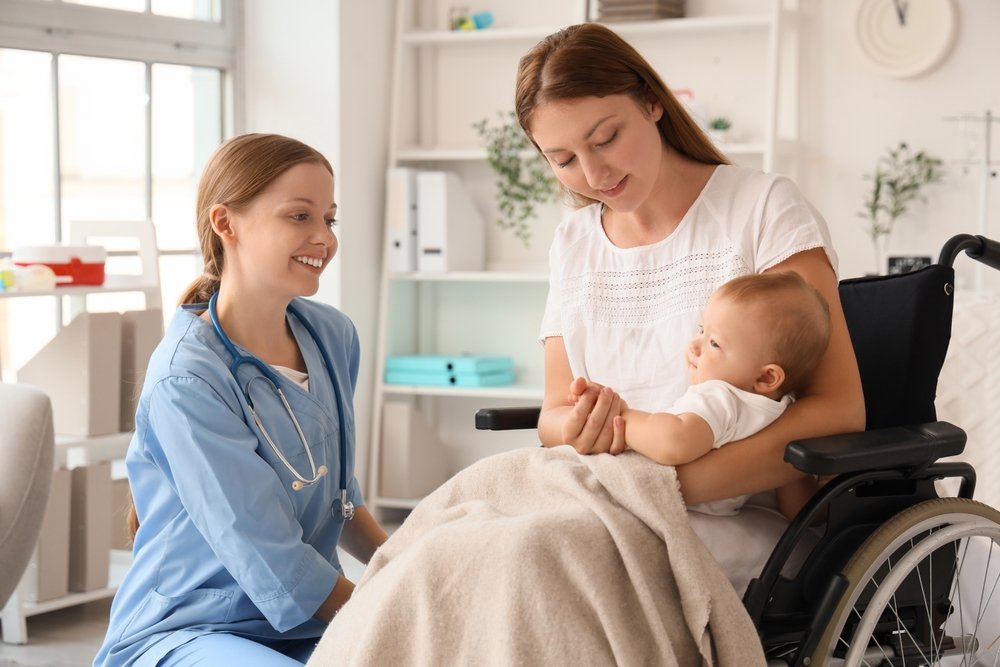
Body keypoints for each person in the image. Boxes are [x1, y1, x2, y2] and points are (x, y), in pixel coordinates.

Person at [516, 23, 865, 525]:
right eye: (564, 160)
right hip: (600, 498)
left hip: (727, 516)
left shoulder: (763, 209)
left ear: (653, 102)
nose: (594, 176)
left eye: (607, 138)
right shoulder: (572, 242)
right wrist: (582, 424)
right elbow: (553, 414)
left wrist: (669, 487)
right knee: (447, 548)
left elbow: (837, 409)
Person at [94, 133, 388, 667]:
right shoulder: (187, 379)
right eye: (299, 216)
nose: (323, 237)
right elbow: (267, 552)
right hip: (191, 629)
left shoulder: (331, 336)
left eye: (330, 218)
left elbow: (340, 503)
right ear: (226, 223)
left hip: (307, 623)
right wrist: (392, 612)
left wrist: (415, 572)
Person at [614, 271, 831, 517]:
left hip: (673, 511)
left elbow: (674, 442)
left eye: (714, 343)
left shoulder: (720, 396)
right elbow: (800, 508)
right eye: (701, 330)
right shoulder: (781, 414)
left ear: (765, 378)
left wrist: (622, 416)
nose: (695, 345)